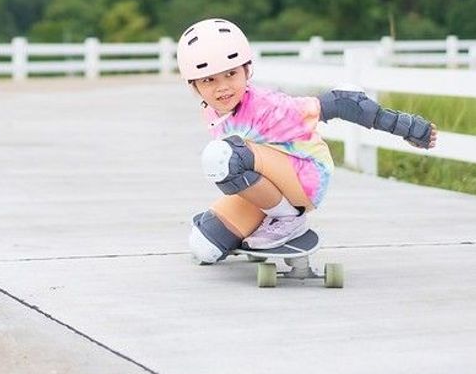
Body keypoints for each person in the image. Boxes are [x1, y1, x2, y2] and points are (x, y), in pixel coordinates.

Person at [179, 17, 438, 264]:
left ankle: (289, 219)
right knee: (204, 247)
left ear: (247, 71)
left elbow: (343, 103)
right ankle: (270, 217)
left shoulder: (268, 107)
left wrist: (411, 129)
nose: (222, 87)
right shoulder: (211, 111)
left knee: (223, 156)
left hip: (304, 175)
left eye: (231, 74)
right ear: (194, 86)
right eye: (209, 80)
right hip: (266, 185)